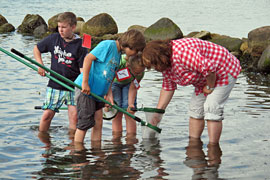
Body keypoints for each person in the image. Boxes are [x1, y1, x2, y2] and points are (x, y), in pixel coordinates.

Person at [141, 38, 241, 144]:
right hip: (205, 78)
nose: (155, 68)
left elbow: (209, 68)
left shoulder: (182, 54)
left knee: (211, 107)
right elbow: (168, 87)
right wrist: (158, 113)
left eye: (155, 65)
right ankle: (194, 144)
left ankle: (213, 147)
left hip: (223, 69)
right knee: (195, 110)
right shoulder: (165, 66)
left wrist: (210, 87)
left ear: (161, 57)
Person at [73, 29, 146, 143]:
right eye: (136, 51)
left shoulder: (118, 55)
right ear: (130, 46)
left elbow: (110, 77)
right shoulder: (107, 45)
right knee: (84, 124)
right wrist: (85, 83)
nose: (136, 54)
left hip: (99, 93)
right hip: (86, 90)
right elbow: (88, 58)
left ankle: (96, 151)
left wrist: (109, 94)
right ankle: (78, 154)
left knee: (98, 123)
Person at [33, 12, 88, 133]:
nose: (60, 30)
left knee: (74, 118)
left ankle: (72, 146)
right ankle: (44, 144)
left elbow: (83, 69)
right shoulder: (54, 38)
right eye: (59, 27)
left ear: (73, 27)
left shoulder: (81, 45)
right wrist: (40, 65)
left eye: (64, 27)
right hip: (55, 84)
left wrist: (85, 84)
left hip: (73, 86)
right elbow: (37, 48)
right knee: (47, 115)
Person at [111, 53, 145, 140]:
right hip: (114, 83)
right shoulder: (118, 62)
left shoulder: (140, 71)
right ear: (128, 65)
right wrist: (108, 97)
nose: (139, 73)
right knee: (117, 112)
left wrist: (130, 104)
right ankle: (116, 139)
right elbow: (108, 81)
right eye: (136, 72)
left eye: (140, 72)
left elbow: (133, 87)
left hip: (129, 84)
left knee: (129, 113)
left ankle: (131, 139)